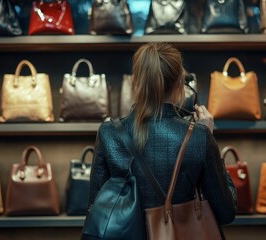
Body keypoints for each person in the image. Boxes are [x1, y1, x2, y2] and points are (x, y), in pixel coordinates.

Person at [88, 42, 237, 239]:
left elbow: (96, 209)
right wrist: (209, 138)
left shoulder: (109, 133)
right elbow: (226, 212)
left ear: (135, 82)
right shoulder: (199, 136)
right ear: (179, 84)